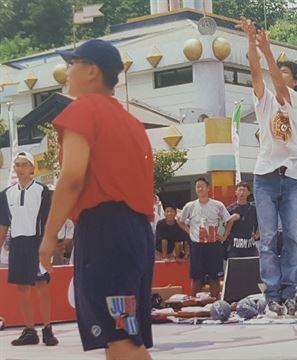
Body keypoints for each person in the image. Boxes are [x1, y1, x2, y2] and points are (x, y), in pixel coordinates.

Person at [39, 39, 154, 359]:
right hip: (136, 233)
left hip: (105, 233)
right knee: (125, 339)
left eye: (72, 64)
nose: (66, 71)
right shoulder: (132, 123)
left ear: (92, 71)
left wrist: (49, 236)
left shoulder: (82, 109)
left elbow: (72, 177)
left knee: (120, 340)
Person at [238, 18, 297, 318]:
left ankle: (291, 292)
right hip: (265, 175)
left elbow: (279, 89)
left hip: (290, 176)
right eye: (278, 70)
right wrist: (251, 42)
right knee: (267, 238)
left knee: (291, 237)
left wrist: (267, 49)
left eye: (285, 72)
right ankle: (273, 294)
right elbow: (256, 73)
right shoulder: (263, 100)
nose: (278, 75)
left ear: (295, 81)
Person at [0, 152, 57, 346]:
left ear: (32, 169)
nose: (20, 168)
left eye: (24, 164)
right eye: (17, 164)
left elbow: (50, 221)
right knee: (22, 288)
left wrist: (48, 249)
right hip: (17, 244)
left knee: (41, 286)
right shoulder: (6, 194)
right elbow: (3, 224)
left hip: (37, 243)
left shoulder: (42, 191)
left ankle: (48, 329)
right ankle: (30, 330)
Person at [179, 178, 232, 299]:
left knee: (215, 277)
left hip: (213, 245)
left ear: (208, 188)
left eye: (202, 186)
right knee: (196, 277)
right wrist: (190, 232)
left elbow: (228, 221)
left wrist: (224, 236)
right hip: (197, 245)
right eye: (197, 186)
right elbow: (180, 221)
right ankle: (193, 303)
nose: (200, 188)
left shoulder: (218, 205)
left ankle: (216, 303)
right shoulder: (190, 206)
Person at [226, 182, 260, 258]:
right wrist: (231, 219)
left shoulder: (253, 209)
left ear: (248, 193)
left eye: (244, 190)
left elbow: (262, 223)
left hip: (250, 247)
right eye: (240, 190)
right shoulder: (230, 209)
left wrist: (257, 235)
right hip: (234, 247)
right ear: (236, 192)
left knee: (253, 267)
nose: (242, 193)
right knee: (234, 268)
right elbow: (223, 226)